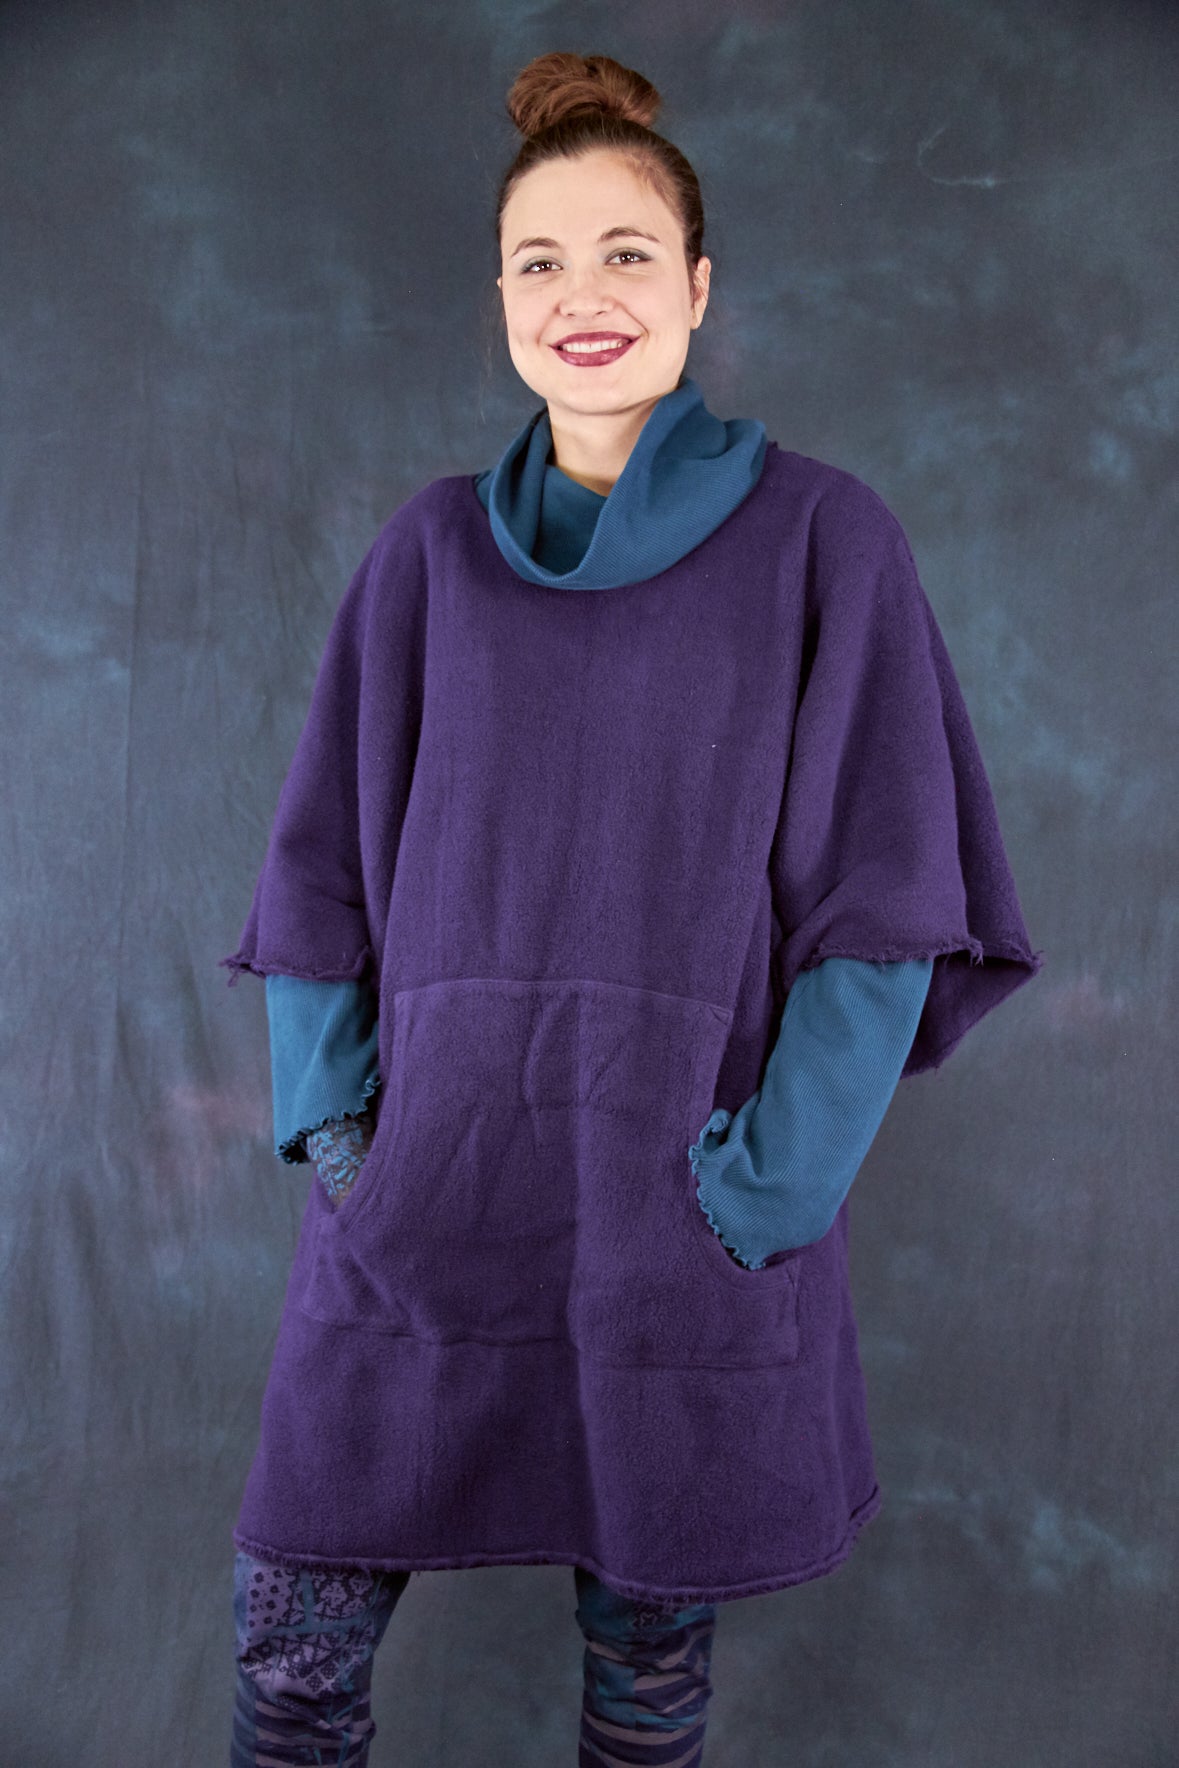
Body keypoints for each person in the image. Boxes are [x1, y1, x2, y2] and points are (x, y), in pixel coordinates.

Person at [222, 50, 1043, 1767]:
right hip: (425, 1207)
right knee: (292, 1660)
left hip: (676, 1212)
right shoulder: (426, 557)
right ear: (499, 297)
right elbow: (316, 876)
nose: (581, 296)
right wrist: (346, 1142)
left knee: (647, 1678)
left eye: (625, 253)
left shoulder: (826, 542)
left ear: (699, 285)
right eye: (539, 260)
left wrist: (759, 1197)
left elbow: (888, 911)